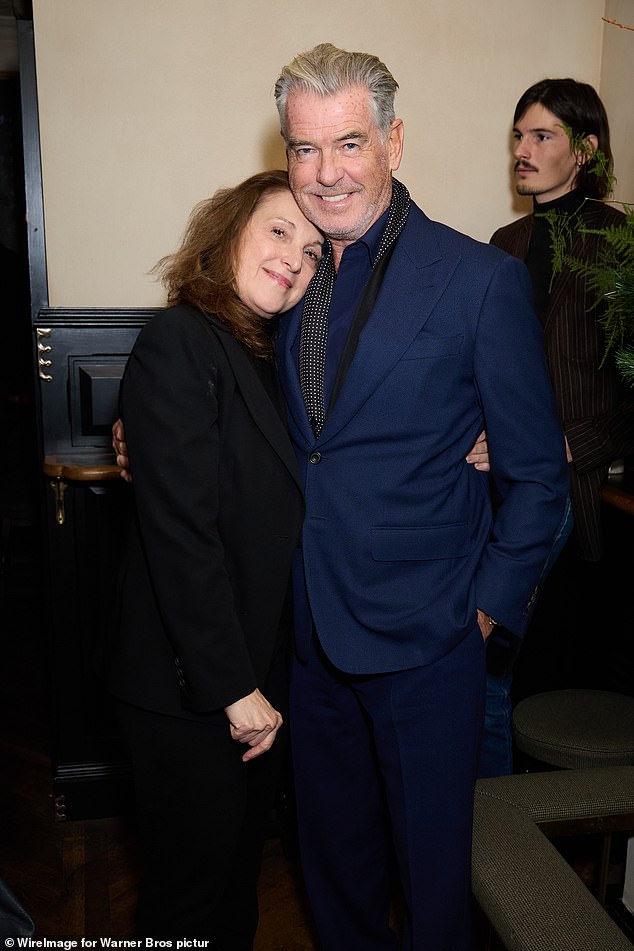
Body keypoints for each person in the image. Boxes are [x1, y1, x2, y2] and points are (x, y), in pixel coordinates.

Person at [113, 46, 568, 950]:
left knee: (434, 885)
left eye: (348, 143)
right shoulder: (286, 278)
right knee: (333, 875)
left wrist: (482, 615)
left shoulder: (481, 281)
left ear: (393, 142)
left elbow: (540, 477)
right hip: (302, 646)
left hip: (429, 644)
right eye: (305, 149)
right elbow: (258, 427)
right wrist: (141, 437)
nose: (325, 174)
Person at [99, 170, 324, 943]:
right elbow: (181, 533)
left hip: (248, 682)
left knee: (229, 887)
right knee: (188, 902)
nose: (296, 256)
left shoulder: (264, 355)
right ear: (230, 231)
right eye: (279, 230)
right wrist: (234, 689)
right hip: (190, 688)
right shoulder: (181, 338)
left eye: (313, 249)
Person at [484, 79, 634, 775]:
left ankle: (498, 834)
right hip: (495, 481)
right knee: (489, 657)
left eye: (541, 136)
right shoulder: (503, 243)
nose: (523, 150)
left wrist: (575, 441)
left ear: (585, 150)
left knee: (493, 646)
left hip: (567, 486)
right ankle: (482, 825)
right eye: (519, 135)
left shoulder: (619, 240)